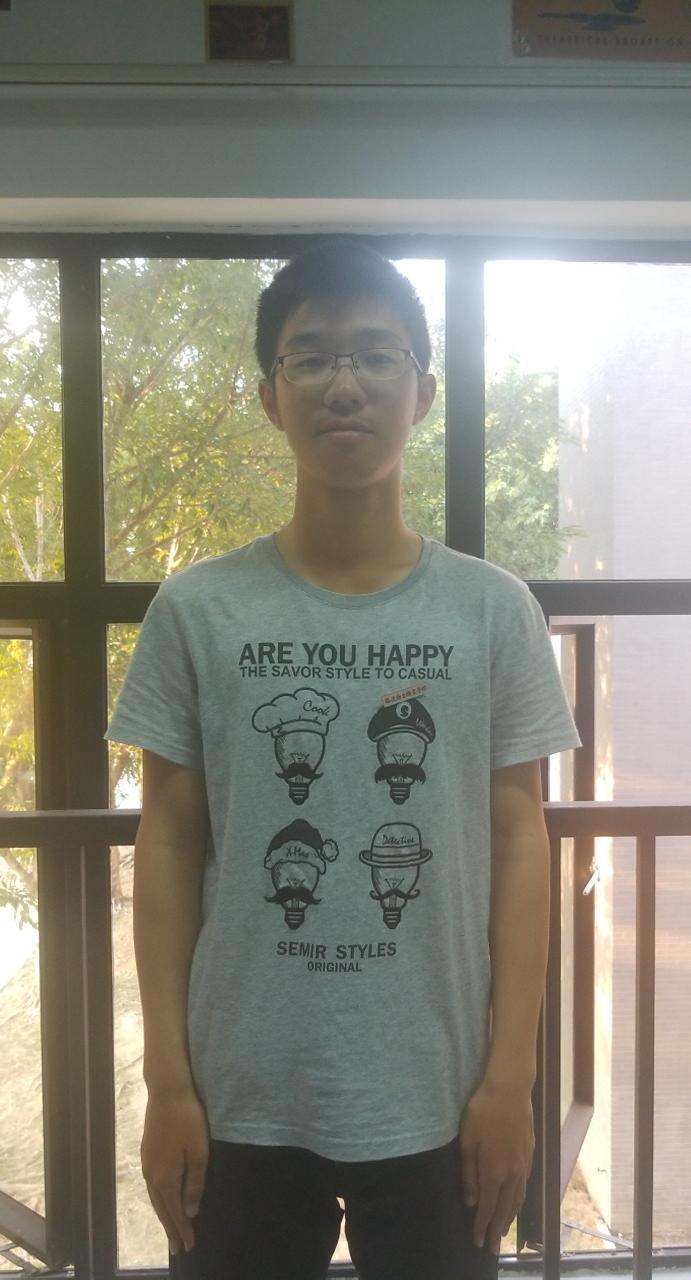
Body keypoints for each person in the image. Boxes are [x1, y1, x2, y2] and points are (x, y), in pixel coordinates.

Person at [104, 239, 581, 1280]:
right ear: (269, 395)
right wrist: (166, 1081)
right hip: (237, 1094)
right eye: (311, 356)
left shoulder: (491, 609)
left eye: (376, 353)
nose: (344, 382)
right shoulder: (198, 607)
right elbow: (169, 844)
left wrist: (510, 1080)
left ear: (422, 392)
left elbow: (518, 844)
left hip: (441, 1094)